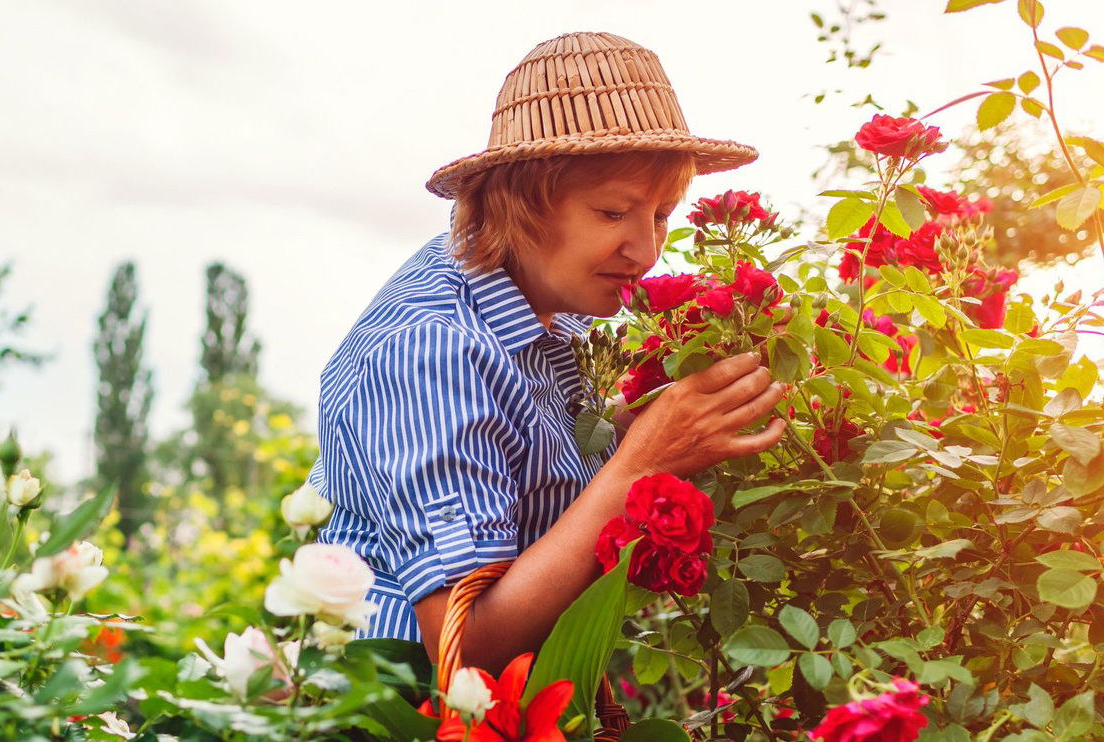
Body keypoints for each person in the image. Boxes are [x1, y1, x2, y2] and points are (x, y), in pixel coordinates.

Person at [308, 31, 787, 674]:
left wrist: (632, 433)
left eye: (662, 215)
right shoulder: (430, 350)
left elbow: (525, 476)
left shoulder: (529, 297)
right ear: (520, 203)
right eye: (614, 212)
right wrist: (641, 466)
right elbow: (464, 646)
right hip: (400, 708)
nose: (647, 253)